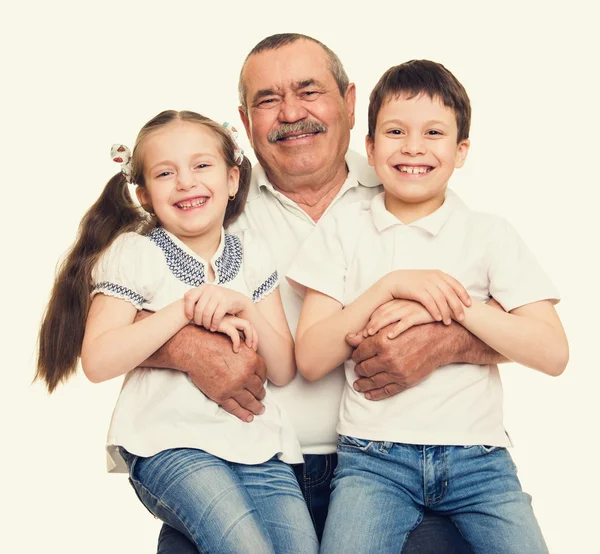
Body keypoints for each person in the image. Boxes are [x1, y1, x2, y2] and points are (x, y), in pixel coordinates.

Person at [152, 34, 506, 554]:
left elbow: (513, 315)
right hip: (239, 469)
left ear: (348, 101)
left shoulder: (408, 184)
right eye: (268, 100)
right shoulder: (203, 201)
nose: (291, 112)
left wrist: (450, 342)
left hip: (397, 469)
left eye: (308, 91)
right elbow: (106, 318)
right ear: (245, 121)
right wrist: (182, 349)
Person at [288, 60, 569, 553]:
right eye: (395, 131)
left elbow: (552, 352)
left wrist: (453, 307)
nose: (413, 147)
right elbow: (310, 358)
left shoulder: (488, 234)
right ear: (370, 148)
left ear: (461, 151)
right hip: (374, 462)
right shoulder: (344, 228)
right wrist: (390, 287)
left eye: (433, 132)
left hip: (479, 461)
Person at [35, 110, 319, 553]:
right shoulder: (134, 254)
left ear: (231, 179)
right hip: (170, 445)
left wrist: (242, 302)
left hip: (259, 447)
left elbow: (282, 369)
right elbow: (98, 360)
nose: (185, 182)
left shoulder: (253, 255)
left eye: (201, 166)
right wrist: (184, 311)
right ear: (145, 195)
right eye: (166, 173)